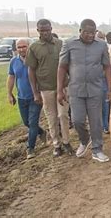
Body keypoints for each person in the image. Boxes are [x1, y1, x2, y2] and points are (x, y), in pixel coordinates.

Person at [57, 19, 111, 163]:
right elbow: (62, 67)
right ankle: (84, 139)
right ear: (80, 31)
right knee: (77, 120)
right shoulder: (69, 44)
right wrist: (59, 90)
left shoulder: (101, 45)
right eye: (86, 32)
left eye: (92, 32)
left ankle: (97, 149)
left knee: (96, 121)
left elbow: (107, 67)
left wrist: (109, 88)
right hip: (76, 90)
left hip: (95, 89)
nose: (89, 35)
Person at [27, 19, 73, 157]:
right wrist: (35, 92)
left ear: (51, 29)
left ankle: (66, 142)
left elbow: (68, 65)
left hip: (63, 87)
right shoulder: (34, 47)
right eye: (42, 30)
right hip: (45, 89)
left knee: (63, 115)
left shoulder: (60, 44)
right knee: (51, 117)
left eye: (47, 29)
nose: (45, 32)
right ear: (38, 31)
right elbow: (31, 70)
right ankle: (56, 144)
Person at [7, 38, 47, 159]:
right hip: (21, 97)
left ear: (29, 47)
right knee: (27, 122)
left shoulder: (37, 60)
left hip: (36, 96)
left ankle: (30, 148)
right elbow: (11, 78)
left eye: (24, 46)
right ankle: (42, 132)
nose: (21, 49)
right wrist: (9, 93)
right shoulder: (14, 61)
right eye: (19, 47)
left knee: (33, 122)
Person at [96, 30, 110, 134]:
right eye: (99, 37)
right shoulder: (91, 50)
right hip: (94, 82)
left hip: (104, 81)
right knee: (96, 106)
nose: (101, 39)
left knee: (106, 105)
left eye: (102, 38)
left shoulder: (107, 49)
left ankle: (106, 126)